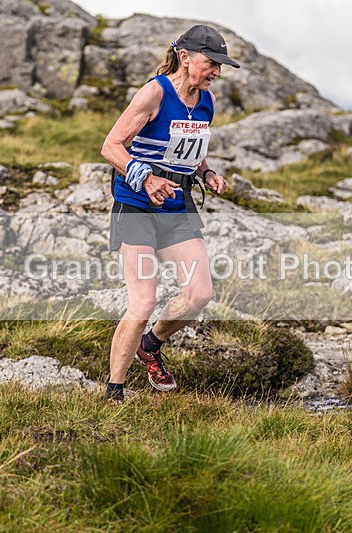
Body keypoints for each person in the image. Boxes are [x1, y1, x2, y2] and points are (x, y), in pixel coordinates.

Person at [100, 25, 239, 399]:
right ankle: (114, 391)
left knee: (199, 294)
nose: (217, 72)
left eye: (220, 66)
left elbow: (191, 149)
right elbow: (111, 146)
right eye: (211, 63)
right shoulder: (155, 92)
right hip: (136, 206)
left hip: (177, 206)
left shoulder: (206, 101)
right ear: (185, 57)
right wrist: (145, 178)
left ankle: (151, 345)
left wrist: (206, 173)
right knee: (143, 302)